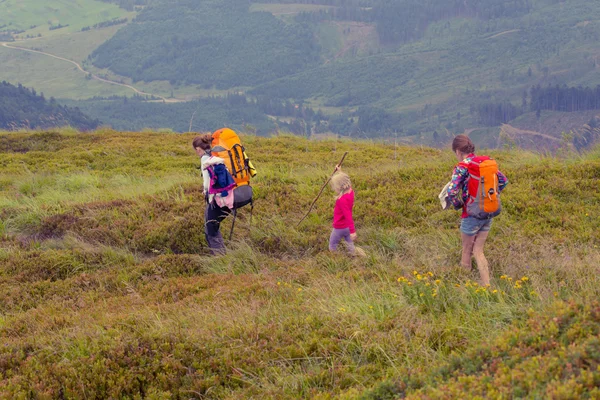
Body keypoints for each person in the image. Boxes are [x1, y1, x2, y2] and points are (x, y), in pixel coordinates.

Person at [447, 135, 508, 285]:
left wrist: (458, 205)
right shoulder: (484, 163)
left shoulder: (462, 167)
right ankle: (487, 286)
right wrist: (490, 197)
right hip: (488, 211)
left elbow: (452, 191)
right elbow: (503, 181)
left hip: (471, 214)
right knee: (479, 251)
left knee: (467, 250)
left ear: (458, 151)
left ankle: (464, 286)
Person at [193, 134, 231, 255]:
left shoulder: (205, 159)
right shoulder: (216, 155)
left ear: (198, 149)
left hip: (216, 199)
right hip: (229, 195)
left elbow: (207, 183)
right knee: (213, 225)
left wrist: (206, 193)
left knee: (210, 229)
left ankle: (220, 259)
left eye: (196, 151)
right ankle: (221, 255)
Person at [329, 171, 356, 256]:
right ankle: (353, 256)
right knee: (350, 244)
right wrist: (340, 171)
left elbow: (348, 216)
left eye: (335, 187)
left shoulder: (341, 200)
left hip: (339, 227)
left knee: (332, 245)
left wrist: (353, 231)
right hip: (347, 227)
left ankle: (335, 257)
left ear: (340, 187)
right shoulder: (351, 191)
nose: (334, 189)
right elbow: (345, 180)